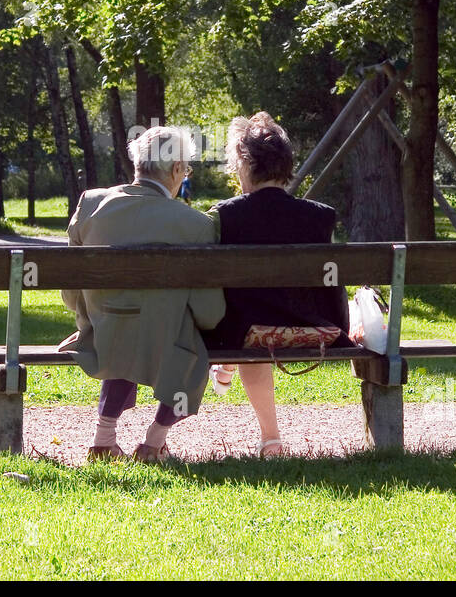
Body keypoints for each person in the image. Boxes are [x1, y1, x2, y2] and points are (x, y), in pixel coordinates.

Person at [60, 125, 225, 463]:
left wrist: (87, 319)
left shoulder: (90, 204)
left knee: (123, 330)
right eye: (186, 168)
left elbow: (71, 289)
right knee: (178, 340)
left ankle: (104, 437)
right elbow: (210, 311)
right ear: (177, 169)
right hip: (167, 343)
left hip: (104, 334)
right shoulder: (197, 225)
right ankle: (154, 441)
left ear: (138, 164)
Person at [201, 112, 350, 458]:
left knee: (252, 327)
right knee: (258, 316)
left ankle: (271, 438)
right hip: (317, 326)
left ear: (244, 163)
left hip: (247, 331)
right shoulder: (321, 216)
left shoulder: (226, 215)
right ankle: (231, 373)